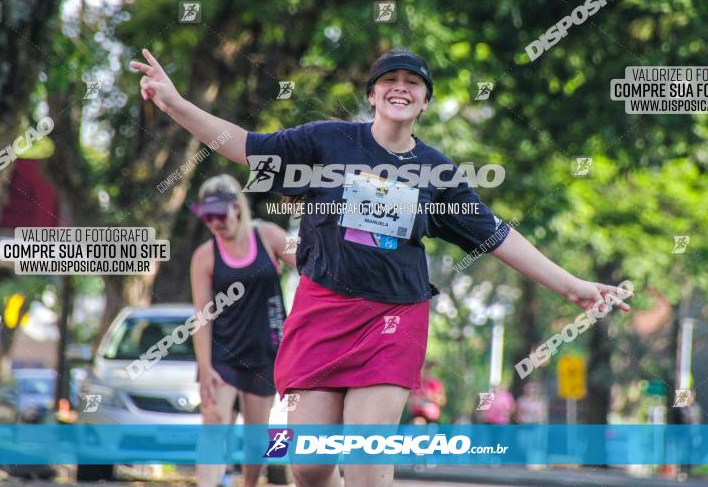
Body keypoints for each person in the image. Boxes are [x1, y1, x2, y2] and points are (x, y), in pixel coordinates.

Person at [131, 46, 632, 487]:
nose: (400, 88)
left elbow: (496, 234)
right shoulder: (325, 142)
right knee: (308, 466)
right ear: (372, 95)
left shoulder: (437, 174)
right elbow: (242, 144)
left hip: (392, 319)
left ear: (425, 101)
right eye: (389, 81)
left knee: (366, 460)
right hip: (320, 312)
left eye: (412, 83)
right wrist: (173, 102)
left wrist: (570, 286)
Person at [188, 174, 296, 487]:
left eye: (219, 215)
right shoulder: (204, 257)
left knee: (255, 441)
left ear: (237, 208)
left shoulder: (268, 235)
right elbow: (201, 317)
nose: (214, 223)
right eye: (207, 217)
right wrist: (205, 368)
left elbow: (313, 263)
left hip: (266, 353)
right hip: (223, 355)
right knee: (214, 423)